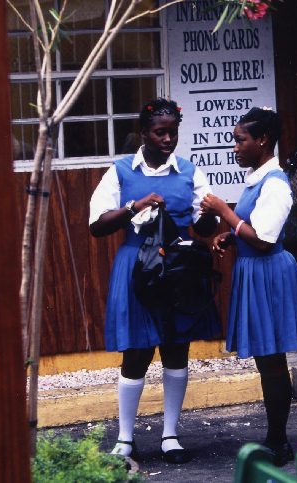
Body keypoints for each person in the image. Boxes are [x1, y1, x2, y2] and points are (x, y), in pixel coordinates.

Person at [89, 98, 219, 464]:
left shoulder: (189, 171)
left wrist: (209, 217)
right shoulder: (121, 172)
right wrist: (134, 206)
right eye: (160, 132)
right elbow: (97, 225)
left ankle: (171, 435)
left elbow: (203, 226)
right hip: (138, 266)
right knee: (136, 352)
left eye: (172, 132)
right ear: (143, 133)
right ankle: (125, 439)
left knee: (176, 350)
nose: (168, 139)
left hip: (178, 269)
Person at [200, 107, 297, 466]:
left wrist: (222, 210)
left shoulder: (274, 183)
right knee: (267, 360)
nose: (235, 147)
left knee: (273, 361)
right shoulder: (257, 178)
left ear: (262, 141)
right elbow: (252, 228)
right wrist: (231, 236)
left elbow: (262, 238)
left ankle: (279, 442)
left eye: (240, 140)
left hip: (268, 273)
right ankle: (275, 438)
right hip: (255, 271)